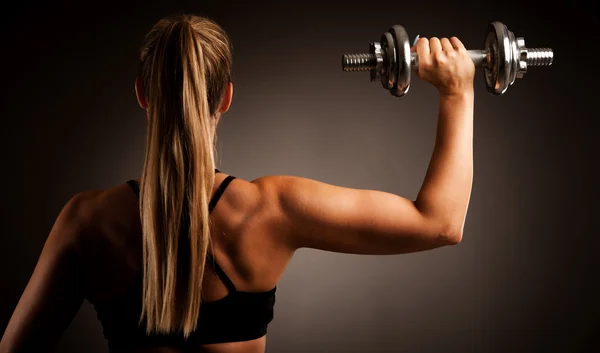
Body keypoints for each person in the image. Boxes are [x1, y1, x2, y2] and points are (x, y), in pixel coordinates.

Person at [0, 13, 475, 353]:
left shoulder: (85, 221)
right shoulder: (269, 210)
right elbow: (440, 223)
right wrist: (457, 92)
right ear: (225, 98)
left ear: (143, 95)